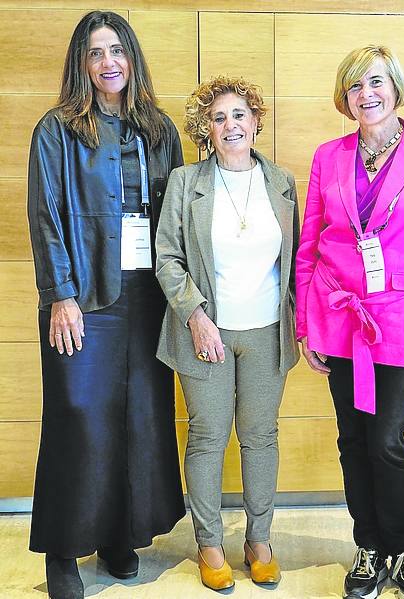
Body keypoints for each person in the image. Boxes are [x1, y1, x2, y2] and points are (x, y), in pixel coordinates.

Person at [26, 11, 186, 599]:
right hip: (86, 294)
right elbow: (45, 217)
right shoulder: (57, 129)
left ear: (132, 57)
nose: (108, 62)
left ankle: (121, 533)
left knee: (139, 419)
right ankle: (64, 552)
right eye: (96, 53)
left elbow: (176, 215)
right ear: (81, 63)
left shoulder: (158, 128)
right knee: (80, 420)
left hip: (147, 295)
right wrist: (59, 295)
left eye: (117, 50)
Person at [295, 45, 404, 599]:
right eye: (354, 86)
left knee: (387, 437)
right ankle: (367, 547)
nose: (366, 94)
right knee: (351, 437)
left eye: (375, 82)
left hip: (401, 320)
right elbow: (310, 243)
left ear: (396, 87)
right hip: (339, 315)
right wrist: (304, 324)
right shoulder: (328, 156)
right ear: (344, 98)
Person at [155, 75, 300, 593]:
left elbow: (297, 262)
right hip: (205, 333)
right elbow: (168, 259)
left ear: (256, 122)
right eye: (218, 118)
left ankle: (259, 541)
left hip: (266, 333)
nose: (230, 125)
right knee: (209, 436)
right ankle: (210, 543)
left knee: (261, 438)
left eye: (239, 115)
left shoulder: (282, 183)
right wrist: (195, 315)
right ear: (206, 130)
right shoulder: (185, 182)